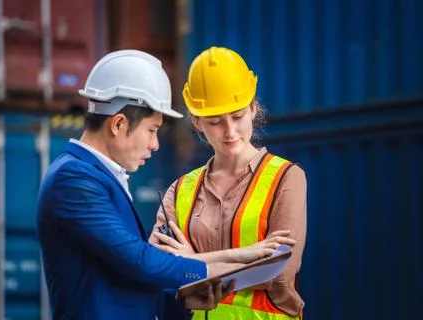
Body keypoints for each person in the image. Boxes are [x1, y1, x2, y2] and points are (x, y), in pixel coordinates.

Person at [36, 49, 290, 320]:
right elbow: (138, 261)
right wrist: (227, 263)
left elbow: (125, 282)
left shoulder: (100, 177)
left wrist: (184, 300)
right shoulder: (74, 179)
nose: (155, 144)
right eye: (152, 130)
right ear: (119, 124)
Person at [149, 47, 307, 320]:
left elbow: (280, 272)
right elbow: (156, 267)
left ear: (253, 109)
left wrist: (192, 262)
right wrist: (250, 256)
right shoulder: (179, 190)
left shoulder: (286, 177)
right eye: (215, 122)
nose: (230, 131)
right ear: (197, 123)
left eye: (237, 117)